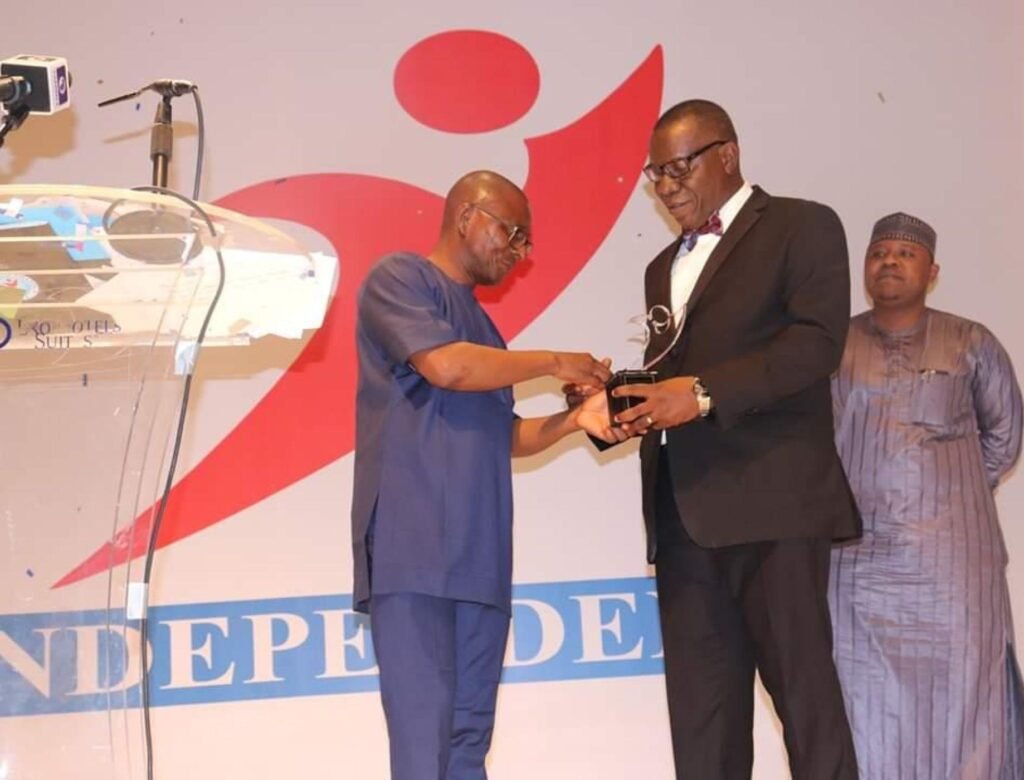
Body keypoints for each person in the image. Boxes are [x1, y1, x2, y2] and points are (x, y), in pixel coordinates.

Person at [608, 99, 860, 779]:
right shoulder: (661, 266)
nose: (665, 187)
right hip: (682, 515)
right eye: (653, 174)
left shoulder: (804, 225)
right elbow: (677, 370)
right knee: (703, 725)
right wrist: (625, 408)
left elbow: (815, 345)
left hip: (772, 504)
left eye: (677, 167)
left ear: (727, 154)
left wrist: (697, 394)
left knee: (807, 706)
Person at [351, 170, 621, 779]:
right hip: (414, 554)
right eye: (512, 232)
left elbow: (507, 437)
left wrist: (576, 417)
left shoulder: (488, 334)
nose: (518, 252)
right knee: (424, 748)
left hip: (480, 562)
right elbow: (446, 367)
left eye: (525, 242)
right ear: (468, 215)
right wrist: (555, 360)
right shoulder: (398, 279)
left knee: (468, 744)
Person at [828, 212, 1024, 778]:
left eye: (905, 254)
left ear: (933, 271)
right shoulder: (834, 344)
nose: (889, 263)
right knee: (865, 699)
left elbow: (1004, 436)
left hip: (952, 562)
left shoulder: (970, 341)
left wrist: (950, 498)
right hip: (859, 562)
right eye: (879, 253)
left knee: (967, 693)